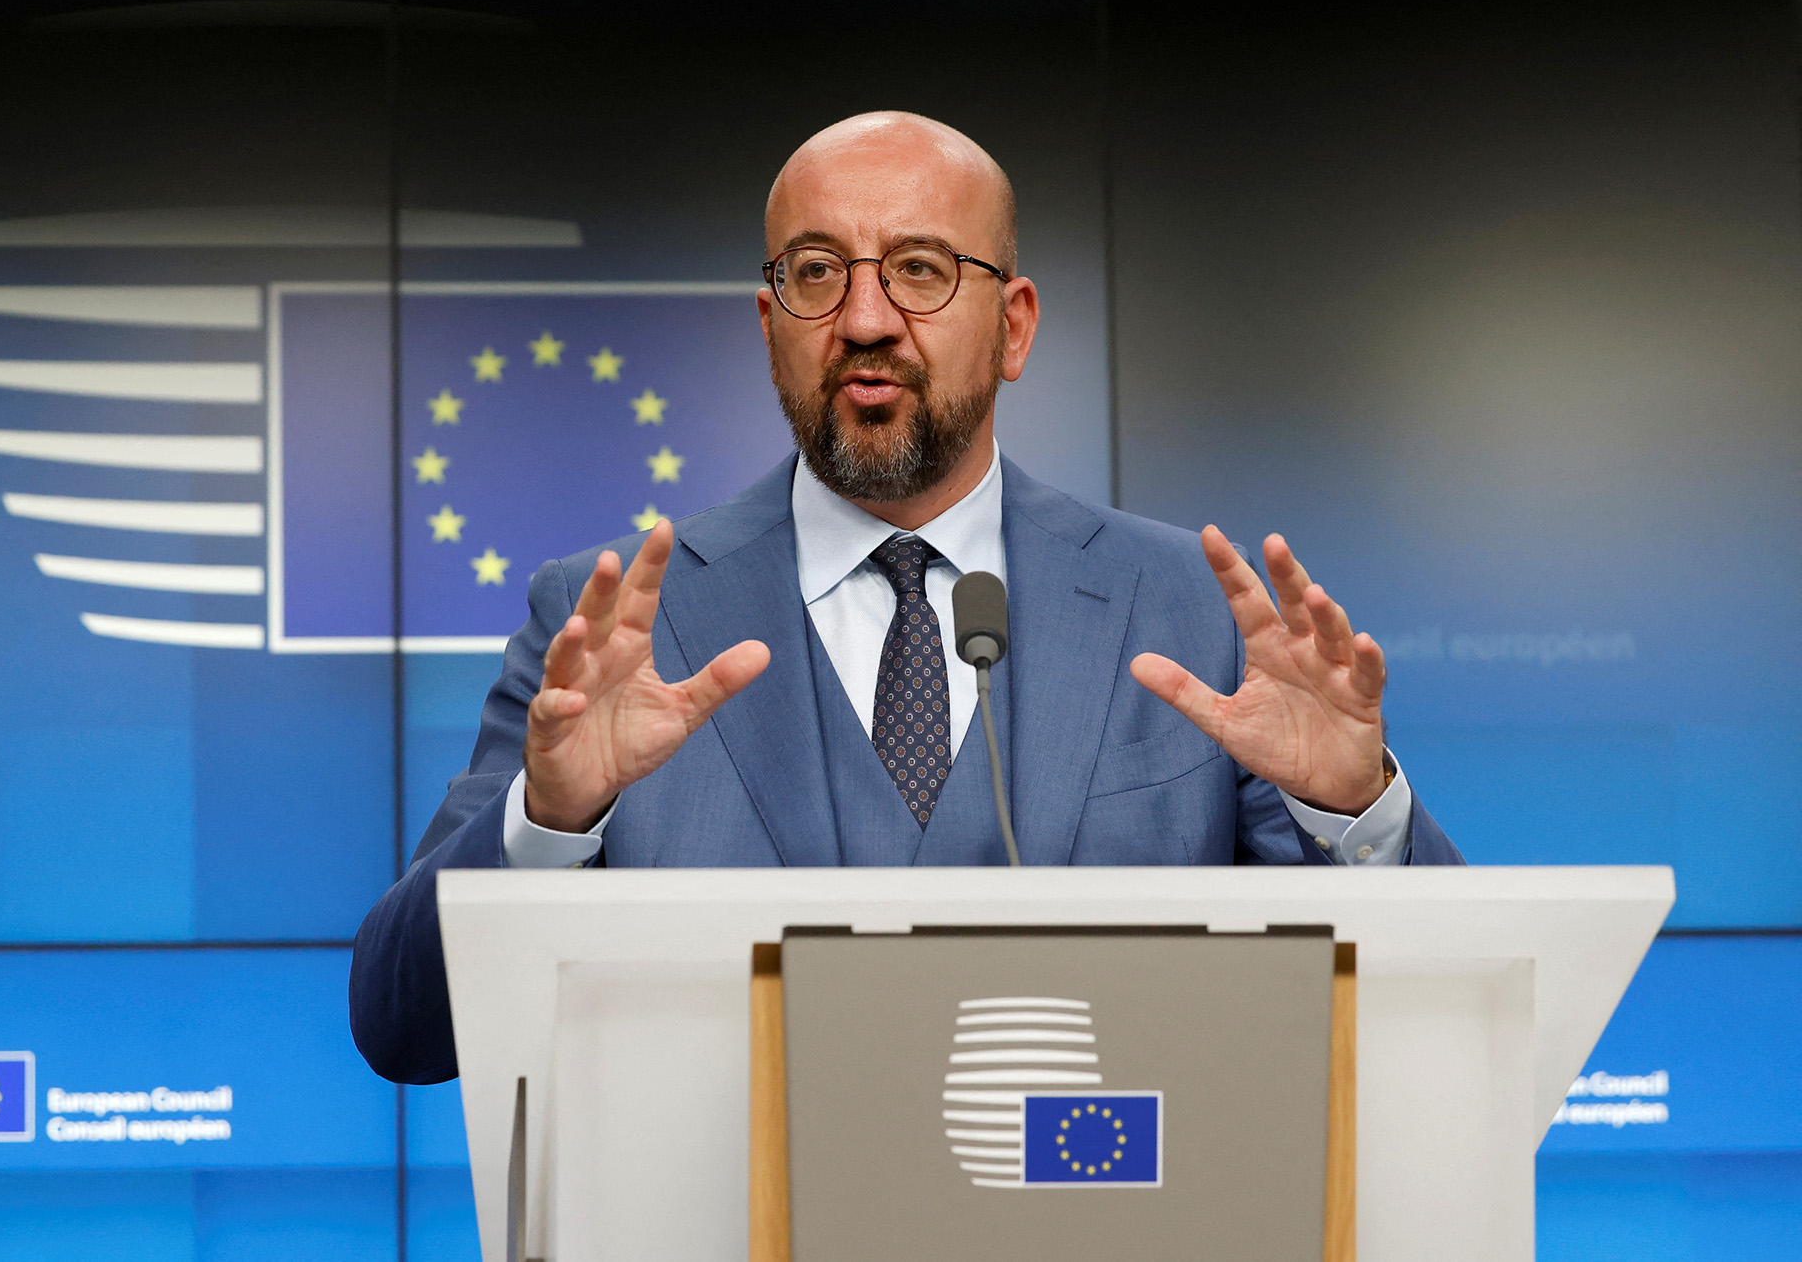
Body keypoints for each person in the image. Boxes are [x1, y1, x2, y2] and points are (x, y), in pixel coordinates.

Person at [350, 111, 1463, 1085]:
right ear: (768, 322)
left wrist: (1348, 814)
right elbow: (401, 1027)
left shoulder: (1186, 607)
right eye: (816, 270)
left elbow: (1440, 1019)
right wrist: (550, 825)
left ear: (1013, 324)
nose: (867, 318)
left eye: (921, 268)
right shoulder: (608, 628)